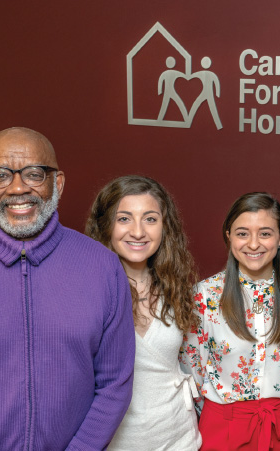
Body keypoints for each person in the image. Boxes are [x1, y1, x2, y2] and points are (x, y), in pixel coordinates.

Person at [0, 127, 135, 450]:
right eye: (0, 175)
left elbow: (115, 384)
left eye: (34, 174)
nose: (17, 188)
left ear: (57, 183)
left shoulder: (102, 266)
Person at [180, 192, 280, 450]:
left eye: (265, 233)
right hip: (223, 426)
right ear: (229, 236)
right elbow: (192, 368)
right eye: (243, 233)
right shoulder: (204, 294)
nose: (253, 244)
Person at [85, 175, 202, 450]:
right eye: (124, 218)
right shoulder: (86, 290)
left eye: (150, 219)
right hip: (115, 441)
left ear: (165, 227)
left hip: (180, 437)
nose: (138, 232)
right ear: (105, 225)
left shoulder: (178, 287)